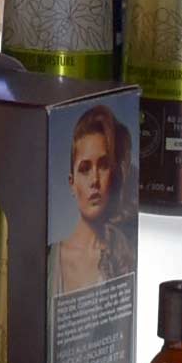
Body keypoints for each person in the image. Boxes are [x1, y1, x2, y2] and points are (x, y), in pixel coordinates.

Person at [51, 103, 133, 300]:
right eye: (85, 169)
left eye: (103, 166)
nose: (95, 180)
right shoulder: (48, 259)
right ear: (72, 183)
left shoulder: (123, 258)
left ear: (114, 175)